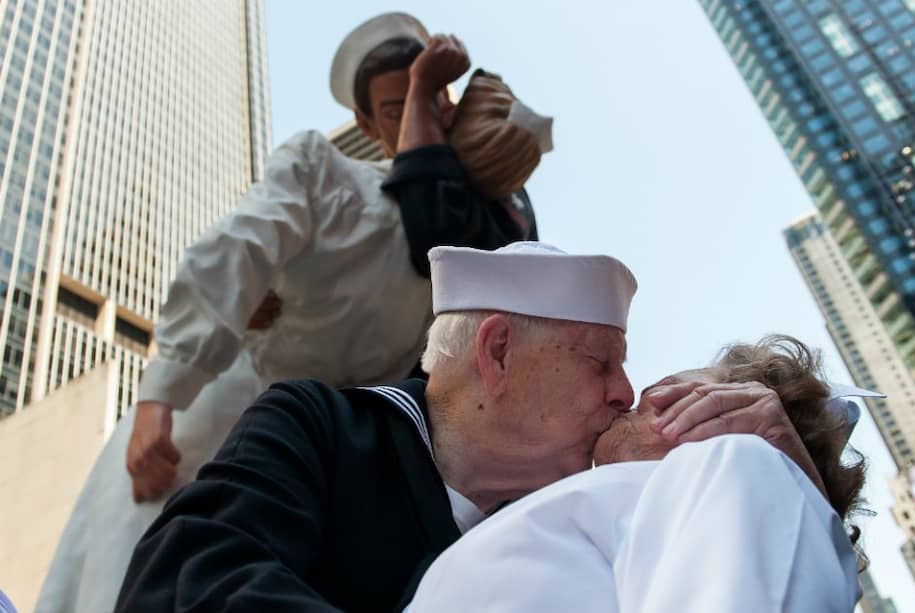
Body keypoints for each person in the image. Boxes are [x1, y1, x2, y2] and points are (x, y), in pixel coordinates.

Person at [36, 13, 548, 613]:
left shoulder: (465, 240)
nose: (423, 112)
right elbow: (234, 253)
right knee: (138, 561)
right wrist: (161, 397)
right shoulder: (322, 168)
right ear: (365, 122)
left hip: (324, 456)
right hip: (220, 413)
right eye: (397, 105)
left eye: (435, 97)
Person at [114, 243, 829, 612]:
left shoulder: (604, 507)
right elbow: (187, 576)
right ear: (497, 350)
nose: (627, 391)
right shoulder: (324, 427)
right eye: (601, 362)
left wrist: (804, 491)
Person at [407, 336, 869, 613]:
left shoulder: (745, 463)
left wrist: (786, 485)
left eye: (666, 389)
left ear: (738, 416)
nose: (634, 396)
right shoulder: (632, 517)